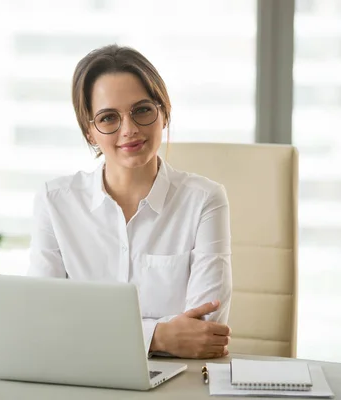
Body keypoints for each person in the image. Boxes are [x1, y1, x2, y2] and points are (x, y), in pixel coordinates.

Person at [28, 44, 232, 359]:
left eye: (142, 110)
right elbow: (42, 323)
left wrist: (87, 331)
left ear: (163, 113)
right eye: (109, 118)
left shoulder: (205, 200)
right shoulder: (54, 202)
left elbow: (203, 331)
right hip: (80, 380)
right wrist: (159, 336)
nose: (130, 129)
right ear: (90, 132)